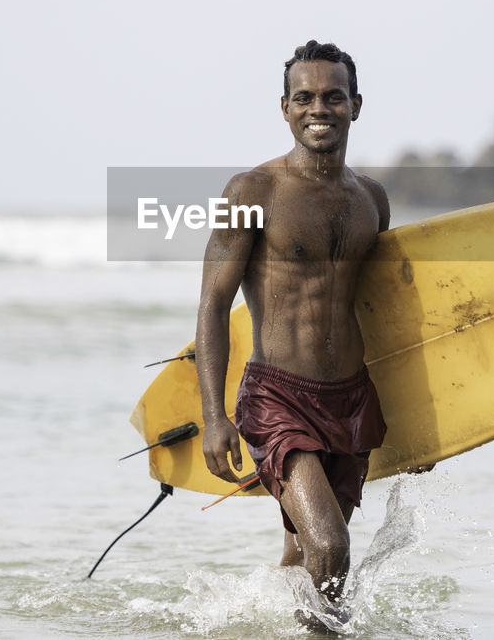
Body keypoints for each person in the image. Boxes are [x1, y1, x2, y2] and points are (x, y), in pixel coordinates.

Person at [195, 39, 391, 630]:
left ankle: (249, 628)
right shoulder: (254, 191)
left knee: (303, 555)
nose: (318, 109)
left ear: (356, 105)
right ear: (284, 109)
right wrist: (212, 415)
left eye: (333, 97)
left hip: (350, 401)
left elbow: (387, 312)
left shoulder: (372, 202)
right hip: (278, 398)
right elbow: (211, 303)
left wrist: (429, 427)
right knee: (331, 549)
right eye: (303, 98)